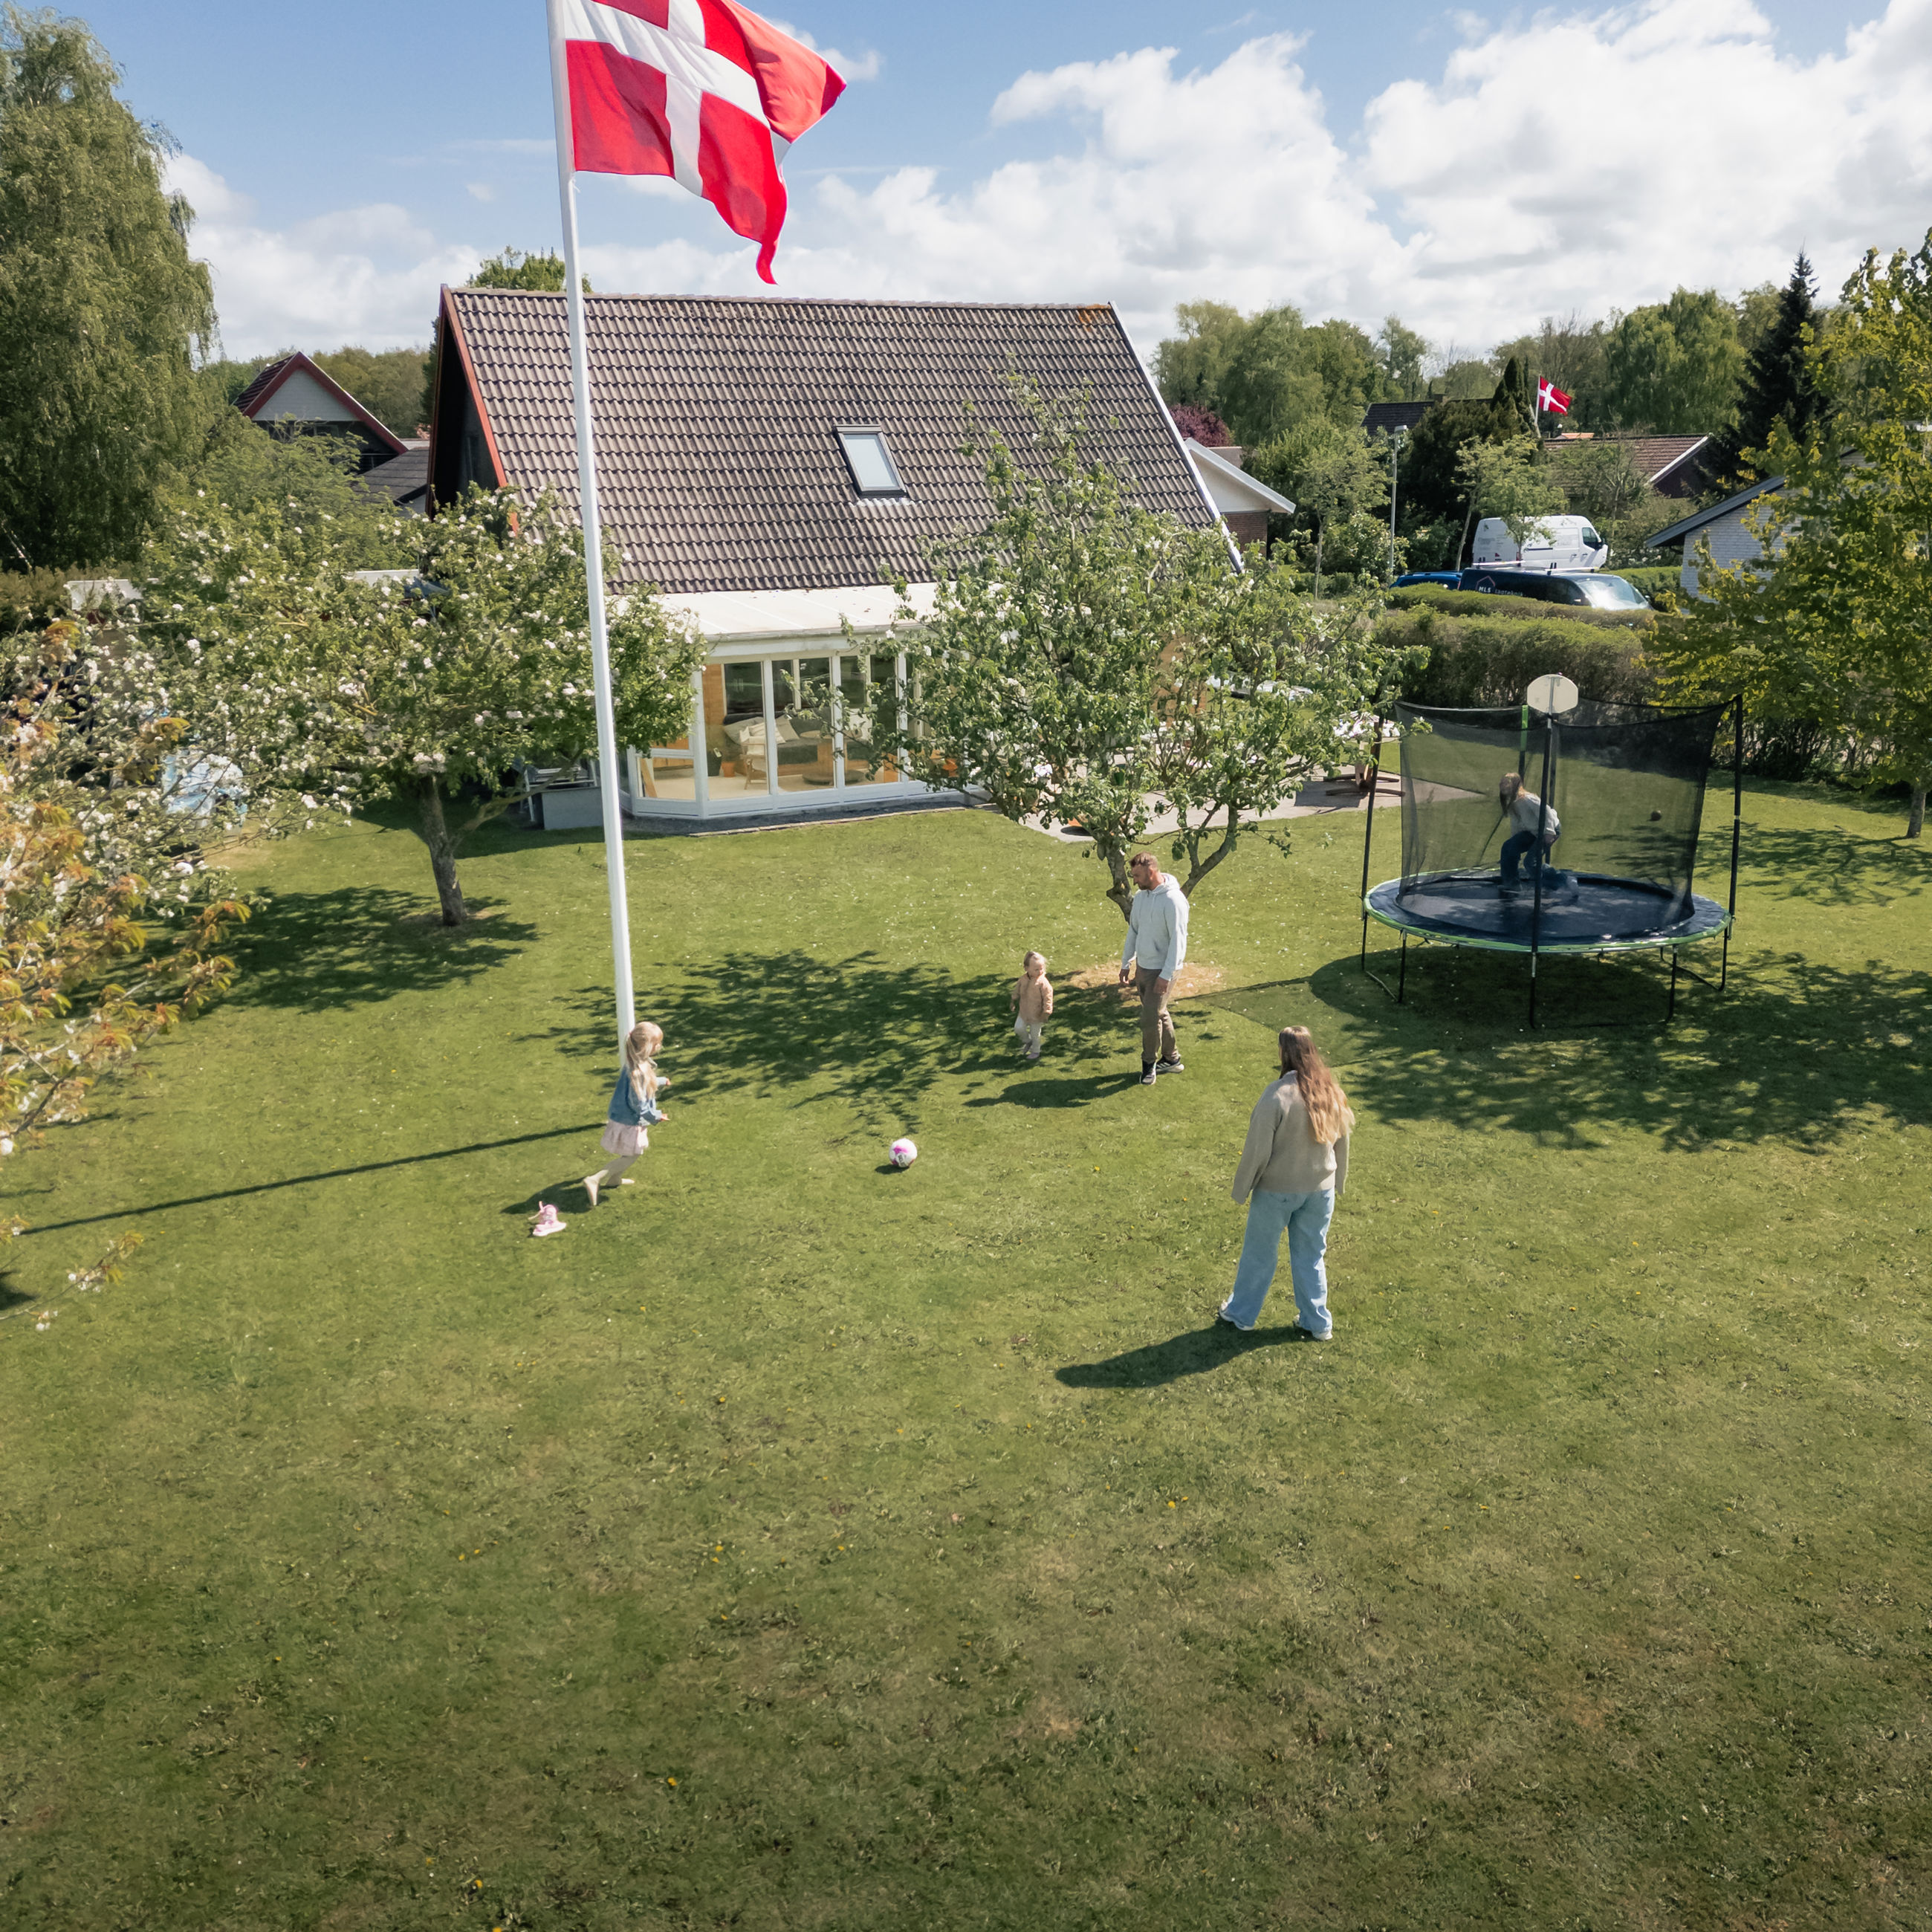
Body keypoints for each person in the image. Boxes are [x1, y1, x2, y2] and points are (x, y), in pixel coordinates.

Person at [1219, 1025, 1355, 1338]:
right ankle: (1318, 1322)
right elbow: (1342, 1144)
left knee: (1260, 1253)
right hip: (1320, 1192)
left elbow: (1257, 1150)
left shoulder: (1277, 1095)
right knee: (1311, 1255)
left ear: (1284, 1053)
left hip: (1277, 1191)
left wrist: (1242, 1189)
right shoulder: (1332, 1093)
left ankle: (1242, 1314)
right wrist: (1339, 1182)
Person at [1118, 850, 1189, 1086]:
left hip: (1164, 970)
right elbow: (1134, 931)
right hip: (1144, 968)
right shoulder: (1141, 897)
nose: (1134, 881)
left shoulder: (1173, 901)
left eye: (1137, 876)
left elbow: (1179, 943)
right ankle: (1172, 1058)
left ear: (1151, 871)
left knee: (1149, 1020)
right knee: (1159, 1013)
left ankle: (1149, 1064)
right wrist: (1126, 962)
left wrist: (1166, 976)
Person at [583, 1020, 669, 1208]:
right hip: (630, 1122)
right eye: (657, 1043)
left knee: (629, 1153)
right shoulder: (638, 1072)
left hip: (621, 1117)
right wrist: (656, 1116)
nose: (660, 1046)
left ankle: (614, 1180)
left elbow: (648, 1082)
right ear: (647, 1047)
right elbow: (639, 1103)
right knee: (632, 1155)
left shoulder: (635, 1064)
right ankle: (595, 1178)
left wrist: (661, 1080)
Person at [1497, 772, 1563, 897]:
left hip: (1548, 829)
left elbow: (1546, 811)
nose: (1501, 785)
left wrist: (1549, 832)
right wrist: (1512, 848)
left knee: (1530, 863)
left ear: (1514, 785)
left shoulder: (1527, 799)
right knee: (1508, 847)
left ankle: (1562, 880)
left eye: (1505, 782)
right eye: (1501, 782)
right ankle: (1512, 883)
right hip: (1533, 831)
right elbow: (1516, 824)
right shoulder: (1512, 802)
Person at [1009, 950, 1054, 1061]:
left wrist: (1046, 1012)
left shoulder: (1043, 982)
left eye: (1041, 968)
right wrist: (1013, 1000)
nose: (1040, 971)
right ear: (1026, 968)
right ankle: (1027, 1041)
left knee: (1035, 1034)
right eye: (1036, 969)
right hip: (1024, 1012)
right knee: (1018, 1028)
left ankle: (1036, 1051)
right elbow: (1017, 990)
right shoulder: (1023, 979)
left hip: (1037, 1014)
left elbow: (1048, 997)